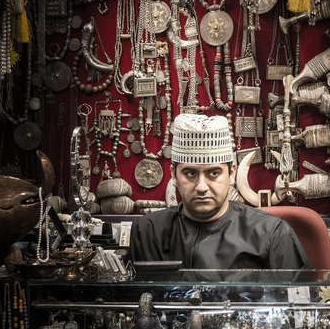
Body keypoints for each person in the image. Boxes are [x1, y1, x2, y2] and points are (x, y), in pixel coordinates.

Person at [129, 113, 311, 279]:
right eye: (190, 174)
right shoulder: (148, 232)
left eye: (213, 173)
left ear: (231, 174)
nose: (201, 187)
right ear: (174, 175)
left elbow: (299, 300)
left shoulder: (272, 233)